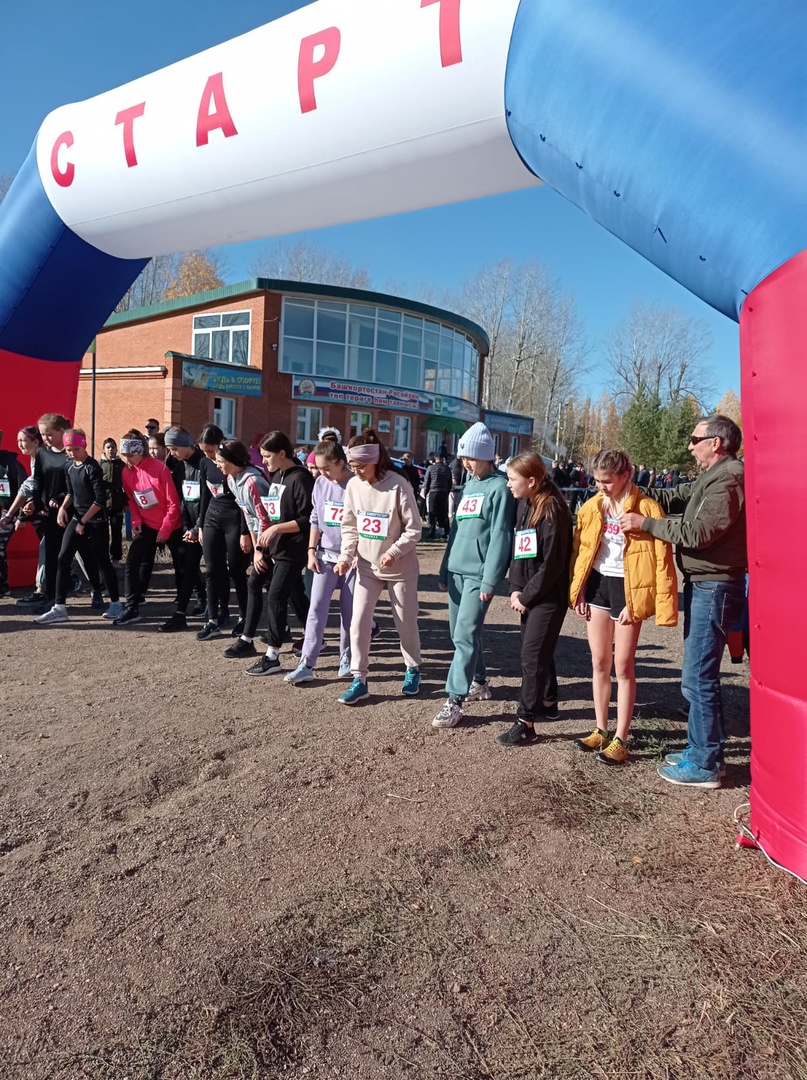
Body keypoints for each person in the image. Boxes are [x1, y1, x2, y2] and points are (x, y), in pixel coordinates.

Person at [619, 414, 747, 787]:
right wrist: (632, 489)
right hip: (706, 584)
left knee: (698, 679)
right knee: (698, 676)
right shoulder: (714, 476)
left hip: (714, 586)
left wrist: (646, 525)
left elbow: (699, 532)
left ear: (716, 443)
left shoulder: (729, 478)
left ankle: (705, 764)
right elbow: (675, 496)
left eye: (695, 439)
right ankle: (703, 752)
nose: (689, 447)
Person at [570, 449, 678, 765]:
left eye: (607, 481)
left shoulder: (648, 509)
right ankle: (601, 729)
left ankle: (621, 737)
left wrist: (639, 604)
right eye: (597, 480)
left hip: (628, 589)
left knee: (623, 665)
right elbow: (581, 551)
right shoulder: (591, 507)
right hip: (598, 586)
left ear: (626, 475)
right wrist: (578, 590)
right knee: (599, 661)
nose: (601, 486)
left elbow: (662, 562)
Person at [433, 422, 516, 728]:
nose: (464, 463)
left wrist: (490, 580)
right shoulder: (469, 486)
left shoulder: (500, 489)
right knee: (461, 633)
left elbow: (500, 536)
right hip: (456, 572)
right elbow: (456, 531)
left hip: (478, 575)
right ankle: (479, 681)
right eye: (462, 457)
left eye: (469, 457)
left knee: (465, 635)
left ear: (486, 456)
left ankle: (454, 700)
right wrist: (444, 568)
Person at [334, 429, 422, 704]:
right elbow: (349, 526)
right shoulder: (353, 486)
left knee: (405, 623)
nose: (357, 471)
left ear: (375, 460)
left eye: (361, 466)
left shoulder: (398, 485)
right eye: (353, 466)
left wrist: (394, 551)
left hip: (401, 569)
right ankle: (359, 679)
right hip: (366, 567)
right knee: (358, 622)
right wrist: (345, 557)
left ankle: (412, 668)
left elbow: (414, 528)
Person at [495, 453, 572, 745]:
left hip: (548, 596)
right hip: (529, 593)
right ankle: (548, 701)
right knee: (537, 649)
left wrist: (526, 596)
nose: (508, 484)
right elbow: (520, 551)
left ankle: (525, 722)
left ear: (531, 481)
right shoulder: (525, 504)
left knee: (532, 656)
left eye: (512, 479)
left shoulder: (553, 510)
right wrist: (515, 588)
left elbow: (553, 564)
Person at [240, 431, 313, 676]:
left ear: (282, 453)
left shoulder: (300, 478)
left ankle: (272, 655)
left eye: (267, 456)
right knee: (294, 592)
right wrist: (263, 547)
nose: (263, 461)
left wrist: (276, 529)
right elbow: (272, 513)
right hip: (276, 547)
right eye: (261, 456)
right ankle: (315, 637)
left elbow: (307, 519)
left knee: (275, 595)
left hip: (293, 548)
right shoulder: (276, 475)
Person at [34, 429, 122, 624]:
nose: (72, 453)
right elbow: (71, 492)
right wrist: (63, 508)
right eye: (68, 449)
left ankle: (116, 603)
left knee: (103, 561)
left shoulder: (93, 467)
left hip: (96, 521)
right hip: (77, 517)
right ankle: (59, 607)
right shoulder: (69, 467)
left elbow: (99, 500)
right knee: (62, 557)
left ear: (84, 446)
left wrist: (84, 521)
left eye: (76, 449)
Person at [285, 439, 355, 684]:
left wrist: (354, 556)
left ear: (340, 462)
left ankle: (347, 657)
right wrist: (311, 551)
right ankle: (307, 662)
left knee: (349, 611)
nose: (322, 473)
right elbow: (315, 518)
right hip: (325, 556)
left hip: (353, 560)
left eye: (327, 468)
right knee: (315, 608)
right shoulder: (320, 483)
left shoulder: (356, 485)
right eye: (318, 468)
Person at [212, 439, 273, 661]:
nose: (217, 465)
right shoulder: (231, 479)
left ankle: (247, 640)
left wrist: (260, 550)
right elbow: (249, 515)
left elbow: (265, 518)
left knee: (261, 584)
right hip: (261, 539)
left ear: (233, 460)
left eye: (220, 461)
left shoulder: (253, 482)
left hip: (274, 538)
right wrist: (252, 541)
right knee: (267, 585)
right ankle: (250, 639)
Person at [114, 430, 181, 625]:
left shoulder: (160, 469)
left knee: (183, 565)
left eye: (131, 455)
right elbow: (132, 500)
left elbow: (173, 503)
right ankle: (131, 607)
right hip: (147, 525)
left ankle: (200, 599)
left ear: (140, 452)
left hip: (171, 524)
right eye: (124, 455)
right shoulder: (126, 472)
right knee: (132, 562)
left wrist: (165, 529)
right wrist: (135, 521)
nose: (127, 459)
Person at [196, 423, 250, 641]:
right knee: (211, 569)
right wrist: (201, 525)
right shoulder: (204, 463)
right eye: (204, 452)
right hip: (212, 517)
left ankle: (244, 616)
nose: (208, 456)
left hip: (234, 518)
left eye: (211, 451)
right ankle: (213, 620)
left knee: (237, 570)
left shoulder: (233, 463)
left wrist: (245, 531)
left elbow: (245, 502)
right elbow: (204, 494)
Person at [158, 427, 207, 633]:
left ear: (186, 444)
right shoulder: (180, 467)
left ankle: (219, 612)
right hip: (190, 526)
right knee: (189, 567)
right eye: (169, 449)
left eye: (175, 449)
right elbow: (184, 501)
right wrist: (187, 526)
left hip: (207, 526)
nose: (172, 453)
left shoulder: (204, 463)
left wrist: (198, 527)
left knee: (216, 570)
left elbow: (207, 501)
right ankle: (181, 614)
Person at [0, 429, 28, 597]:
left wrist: (22, 516)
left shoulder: (11, 464)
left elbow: (25, 489)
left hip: (8, 513)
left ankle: (3, 586)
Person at [99, 438, 126, 568]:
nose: (111, 450)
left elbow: (127, 485)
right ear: (104, 449)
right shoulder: (99, 465)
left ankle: (116, 558)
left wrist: (126, 502)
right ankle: (103, 558)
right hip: (102, 505)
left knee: (116, 533)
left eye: (113, 447)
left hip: (117, 504)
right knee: (103, 533)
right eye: (108, 447)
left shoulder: (122, 465)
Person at [421, 454, 452, 539]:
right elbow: (450, 483)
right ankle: (446, 530)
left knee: (432, 512)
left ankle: (432, 531)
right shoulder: (447, 469)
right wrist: (447, 492)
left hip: (433, 492)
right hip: (443, 492)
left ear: (435, 459)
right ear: (442, 459)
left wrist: (425, 492)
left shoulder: (431, 468)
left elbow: (427, 481)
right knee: (443, 512)